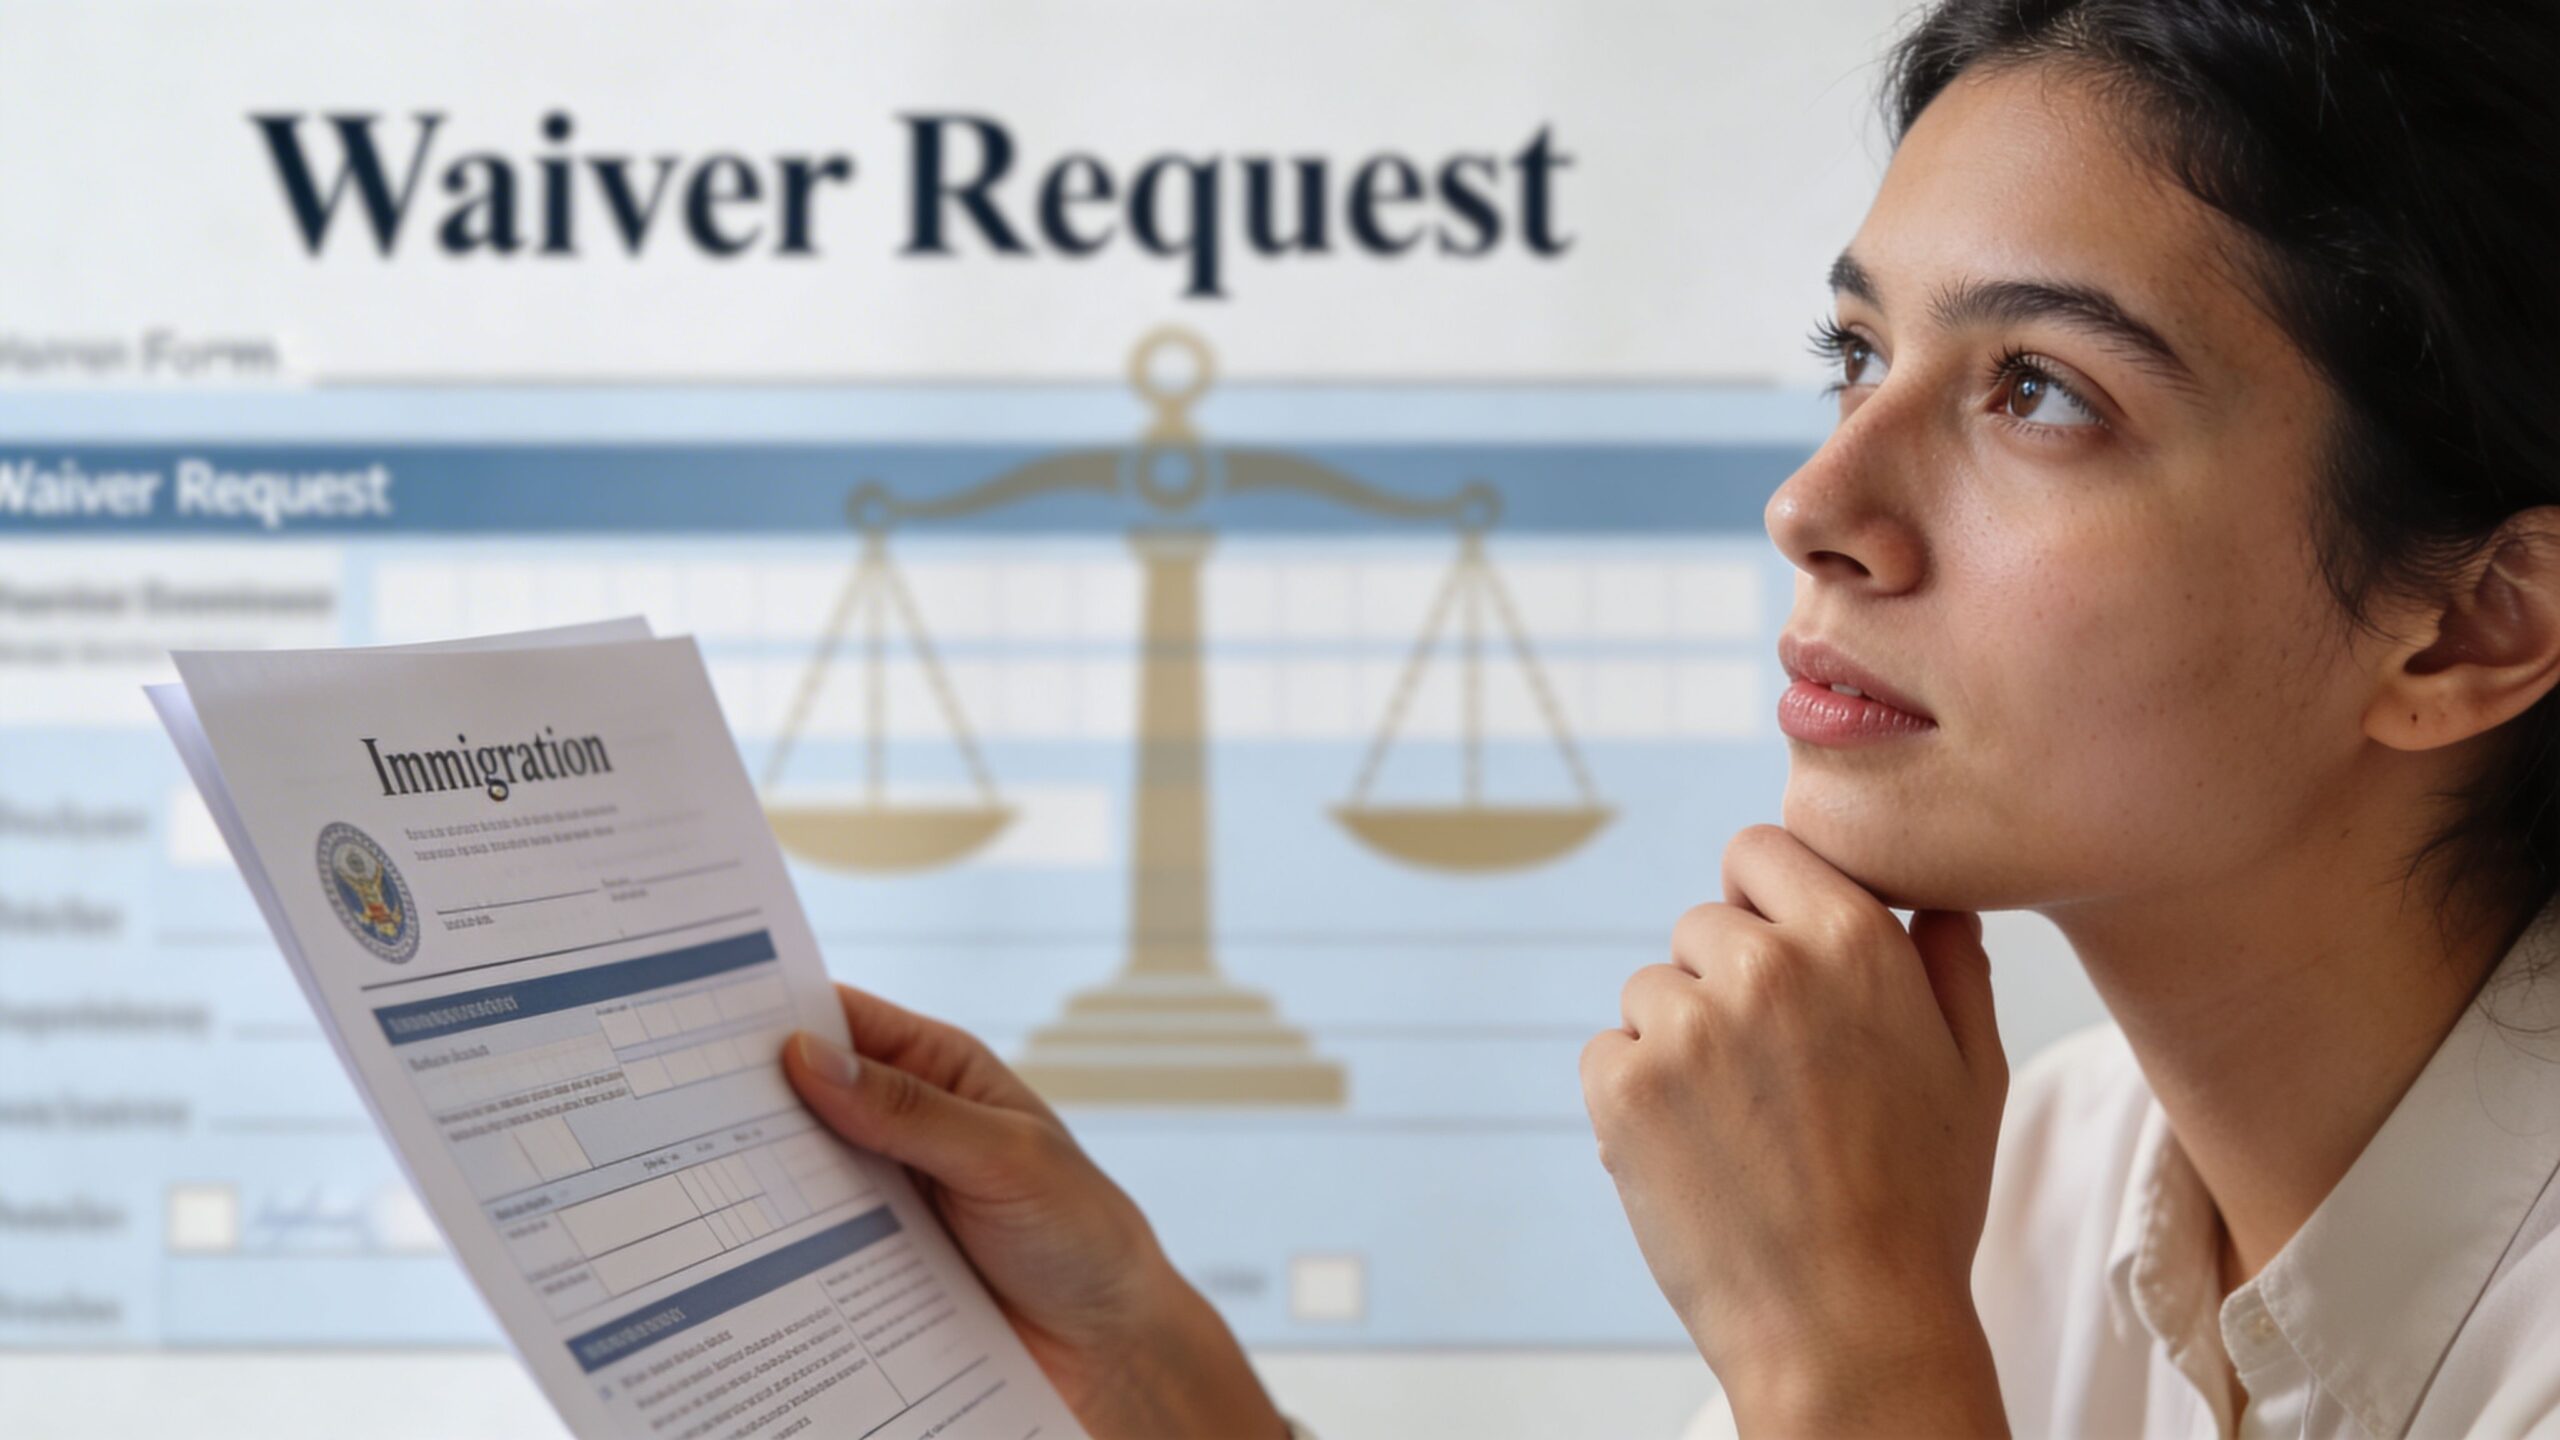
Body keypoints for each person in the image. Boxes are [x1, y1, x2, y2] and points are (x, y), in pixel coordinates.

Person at [779, 0, 2560, 1434]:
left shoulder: (1887, 1245)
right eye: (1859, 358)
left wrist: (1850, 1363)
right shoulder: (2033, 1176)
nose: (1815, 501)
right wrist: (1161, 1381)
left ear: (2472, 626)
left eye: (2038, 391)